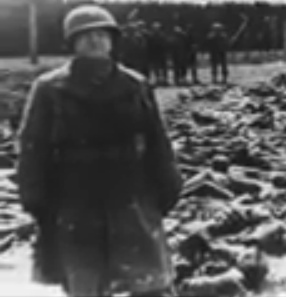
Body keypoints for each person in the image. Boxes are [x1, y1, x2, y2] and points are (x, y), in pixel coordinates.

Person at [17, 5, 182, 297]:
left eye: (101, 35)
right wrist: (36, 198)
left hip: (131, 194)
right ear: (72, 43)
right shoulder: (49, 88)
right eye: (85, 36)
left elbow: (158, 141)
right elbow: (33, 147)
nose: (95, 41)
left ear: (112, 40)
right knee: (84, 281)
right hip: (74, 197)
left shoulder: (136, 85)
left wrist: (167, 188)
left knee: (149, 282)